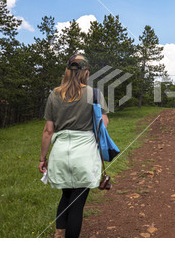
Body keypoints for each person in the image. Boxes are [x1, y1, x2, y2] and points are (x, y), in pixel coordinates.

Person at [38, 54, 108, 238]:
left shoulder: (55, 94)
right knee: (77, 203)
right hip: (84, 154)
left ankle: (59, 236)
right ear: (86, 72)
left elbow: (48, 131)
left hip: (60, 153)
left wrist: (42, 158)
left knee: (66, 196)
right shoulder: (94, 94)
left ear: (68, 71)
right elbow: (103, 124)